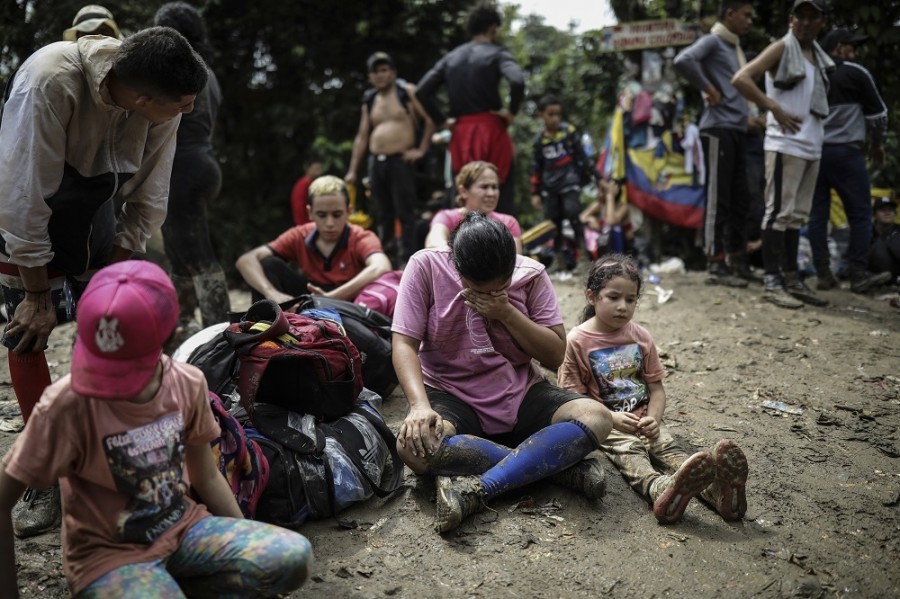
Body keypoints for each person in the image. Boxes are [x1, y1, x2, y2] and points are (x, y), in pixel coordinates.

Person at [0, 26, 208, 538]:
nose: (187, 111)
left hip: (97, 207)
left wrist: (114, 280)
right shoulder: (49, 81)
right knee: (28, 329)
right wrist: (35, 292)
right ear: (142, 97)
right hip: (27, 209)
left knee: (108, 329)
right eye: (179, 105)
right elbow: (22, 193)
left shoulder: (164, 101)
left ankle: (101, 448)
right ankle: (42, 472)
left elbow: (150, 194)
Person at [0, 260, 313, 597]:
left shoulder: (186, 382)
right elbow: (4, 498)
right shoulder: (65, 404)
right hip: (110, 559)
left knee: (293, 557)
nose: (113, 383)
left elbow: (206, 476)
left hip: (184, 531)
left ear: (163, 343)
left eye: (126, 369)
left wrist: (240, 544)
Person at [392, 212, 614, 533]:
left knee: (598, 418)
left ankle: (482, 487)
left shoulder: (533, 274)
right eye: (480, 287)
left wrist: (506, 313)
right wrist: (419, 406)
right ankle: (553, 468)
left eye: (503, 284)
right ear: (457, 267)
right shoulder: (426, 266)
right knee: (411, 448)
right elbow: (403, 343)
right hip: (452, 396)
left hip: (520, 392)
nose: (493, 292)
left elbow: (555, 355)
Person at [557, 254, 749, 524]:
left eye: (631, 299)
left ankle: (718, 492)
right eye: (613, 297)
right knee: (631, 455)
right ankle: (658, 489)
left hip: (645, 420)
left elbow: (656, 389)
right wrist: (610, 418)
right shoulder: (576, 341)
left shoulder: (641, 336)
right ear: (591, 296)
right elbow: (572, 400)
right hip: (608, 427)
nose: (623, 306)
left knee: (679, 456)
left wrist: (654, 420)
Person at [732, 0, 832, 309]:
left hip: (811, 144)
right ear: (790, 20)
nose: (804, 22)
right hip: (785, 143)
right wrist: (772, 107)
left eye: (812, 16)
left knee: (795, 215)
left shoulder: (817, 56)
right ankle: (772, 281)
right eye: (799, 16)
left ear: (821, 21)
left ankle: (792, 278)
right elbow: (741, 78)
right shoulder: (781, 48)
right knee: (777, 212)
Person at [154, 2, 231, 331]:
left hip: (185, 168)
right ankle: (181, 324)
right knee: (179, 252)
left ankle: (221, 331)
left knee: (198, 256)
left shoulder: (176, 68)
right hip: (203, 164)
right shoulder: (207, 71)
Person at [674, 0, 755, 287]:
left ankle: (736, 258)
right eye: (746, 15)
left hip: (736, 129)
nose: (750, 20)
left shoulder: (735, 48)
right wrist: (708, 88)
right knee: (718, 197)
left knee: (740, 198)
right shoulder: (714, 40)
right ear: (729, 14)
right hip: (717, 128)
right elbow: (683, 60)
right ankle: (714, 260)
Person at [416, 2, 524, 216]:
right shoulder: (497, 53)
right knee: (497, 192)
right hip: (492, 130)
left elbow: (422, 91)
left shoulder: (451, 58)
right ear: (493, 28)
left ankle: (462, 247)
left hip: (462, 133)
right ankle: (502, 245)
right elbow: (517, 82)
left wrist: (442, 121)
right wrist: (511, 112)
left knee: (465, 194)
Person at [807, 27, 891, 294]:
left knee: (817, 216)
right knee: (860, 214)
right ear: (840, 47)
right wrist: (876, 145)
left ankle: (823, 274)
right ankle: (857, 275)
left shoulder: (811, 73)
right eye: (852, 48)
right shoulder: (855, 72)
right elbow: (878, 116)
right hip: (846, 154)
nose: (855, 54)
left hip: (815, 153)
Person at [235, 175, 392, 304]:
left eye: (337, 214)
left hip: (350, 304)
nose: (329, 223)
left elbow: (382, 267)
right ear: (310, 213)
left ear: (348, 211)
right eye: (322, 215)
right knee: (268, 265)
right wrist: (272, 293)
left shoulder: (361, 237)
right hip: (310, 298)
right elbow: (246, 260)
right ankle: (263, 330)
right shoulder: (299, 235)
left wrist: (333, 298)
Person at [345, 52, 433, 266]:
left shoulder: (407, 92)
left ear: (393, 73)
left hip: (401, 160)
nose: (381, 75)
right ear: (370, 77)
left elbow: (430, 120)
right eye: (376, 71)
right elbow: (363, 135)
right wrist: (353, 170)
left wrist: (420, 150)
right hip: (377, 161)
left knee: (405, 212)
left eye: (384, 70)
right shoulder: (370, 99)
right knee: (382, 213)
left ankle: (408, 261)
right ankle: (384, 260)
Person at [530, 94, 600, 273]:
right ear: (541, 115)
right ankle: (558, 260)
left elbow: (583, 157)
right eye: (550, 114)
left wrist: (598, 177)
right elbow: (536, 167)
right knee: (554, 222)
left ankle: (584, 258)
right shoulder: (539, 141)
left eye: (558, 114)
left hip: (569, 182)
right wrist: (535, 192)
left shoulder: (568, 132)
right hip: (550, 187)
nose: (555, 118)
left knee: (573, 214)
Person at [425, 161, 523, 253]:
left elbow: (515, 260)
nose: (491, 193)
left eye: (495, 187)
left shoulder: (508, 222)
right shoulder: (446, 217)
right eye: (484, 187)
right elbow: (434, 243)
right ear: (463, 191)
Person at [869, 196, 900, 284]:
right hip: (871, 273)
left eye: (890, 210)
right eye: (882, 210)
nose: (887, 213)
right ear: (874, 214)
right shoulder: (866, 232)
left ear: (895, 214)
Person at [291, 158, 323, 226]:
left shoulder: (311, 183)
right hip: (305, 223)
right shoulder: (304, 184)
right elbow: (299, 206)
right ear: (308, 169)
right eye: (316, 169)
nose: (319, 172)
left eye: (320, 169)